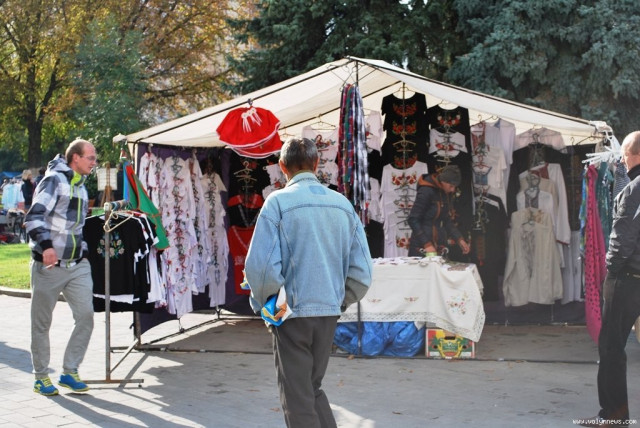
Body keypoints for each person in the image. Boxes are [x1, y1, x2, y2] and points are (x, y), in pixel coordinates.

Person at [244, 137, 373, 428]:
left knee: (298, 397)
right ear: (316, 164)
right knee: (311, 388)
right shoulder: (342, 205)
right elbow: (363, 272)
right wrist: (338, 300)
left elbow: (260, 268)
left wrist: (268, 307)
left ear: (282, 167)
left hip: (290, 313)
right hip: (328, 311)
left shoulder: (277, 203)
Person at [24, 138, 97, 396]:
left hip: (77, 265)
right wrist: (46, 246)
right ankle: (41, 377)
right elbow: (33, 217)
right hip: (48, 266)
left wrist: (84, 252)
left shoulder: (82, 186)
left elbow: (77, 226)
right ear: (75, 158)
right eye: (90, 157)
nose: (94, 162)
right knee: (42, 323)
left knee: (86, 316)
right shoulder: (54, 180)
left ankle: (69, 371)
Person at [580, 131, 640, 428]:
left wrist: (611, 272)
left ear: (634, 155)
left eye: (625, 155)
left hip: (629, 278)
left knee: (611, 346)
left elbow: (622, 239)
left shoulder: (633, 189)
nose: (623, 161)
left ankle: (613, 416)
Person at [407, 164, 470, 259]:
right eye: (451, 186)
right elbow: (413, 219)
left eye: (454, 187)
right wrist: (426, 244)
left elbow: (446, 220)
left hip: (438, 244)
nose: (453, 190)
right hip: (421, 246)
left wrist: (459, 239)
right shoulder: (426, 191)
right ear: (443, 181)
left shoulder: (444, 193)